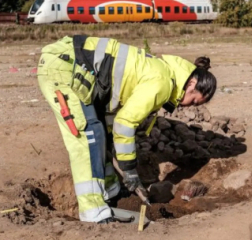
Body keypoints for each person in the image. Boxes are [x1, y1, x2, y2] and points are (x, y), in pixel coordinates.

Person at [37, 35, 217, 223]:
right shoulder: (162, 82)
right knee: (88, 136)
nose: (189, 106)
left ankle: (111, 192)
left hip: (75, 68)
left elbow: (114, 115)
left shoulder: (164, 73)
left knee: (101, 134)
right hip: (63, 67)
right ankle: (93, 212)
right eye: (194, 100)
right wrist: (129, 170)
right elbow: (124, 123)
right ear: (191, 84)